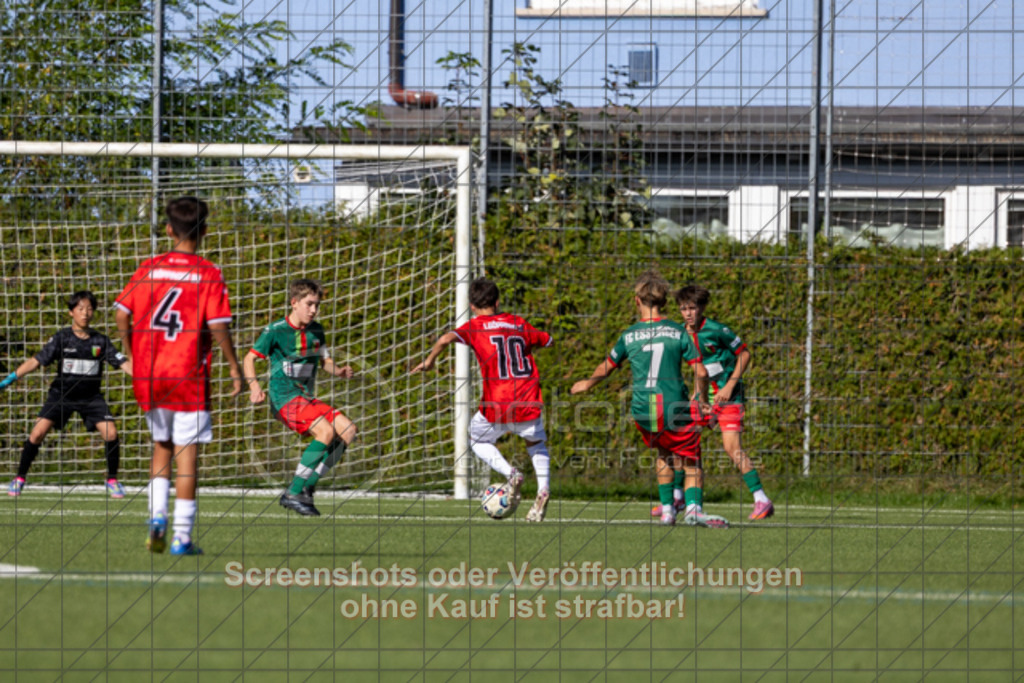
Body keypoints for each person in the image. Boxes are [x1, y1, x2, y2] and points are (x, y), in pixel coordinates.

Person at [115, 196, 242, 556]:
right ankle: (182, 537)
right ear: (204, 231)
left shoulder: (149, 269)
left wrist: (133, 351)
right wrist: (233, 366)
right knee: (187, 453)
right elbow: (218, 325)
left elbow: (122, 313)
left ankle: (156, 518)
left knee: (161, 447)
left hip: (152, 376)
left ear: (169, 229)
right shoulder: (208, 273)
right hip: (188, 375)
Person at [571, 270, 728, 528]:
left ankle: (667, 511)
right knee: (692, 459)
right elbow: (700, 371)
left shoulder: (628, 335)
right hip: (672, 406)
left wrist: (588, 383)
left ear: (636, 301)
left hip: (643, 409)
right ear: (665, 303)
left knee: (664, 452)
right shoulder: (678, 332)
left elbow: (607, 365)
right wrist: (700, 396)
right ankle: (693, 510)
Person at [412, 277, 553, 522]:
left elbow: (445, 339)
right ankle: (543, 489)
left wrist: (429, 361)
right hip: (528, 397)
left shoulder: (475, 326)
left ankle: (512, 474)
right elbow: (548, 340)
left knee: (476, 439)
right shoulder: (519, 323)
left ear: (472, 306)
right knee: (536, 443)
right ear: (498, 302)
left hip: (497, 402)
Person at [244, 279, 357, 518]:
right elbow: (249, 359)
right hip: (284, 398)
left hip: (305, 398)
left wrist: (339, 370)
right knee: (325, 432)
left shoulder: (317, 331)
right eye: (309, 304)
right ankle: (293, 492)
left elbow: (324, 360)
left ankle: (307, 486)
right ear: (294, 303)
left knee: (347, 430)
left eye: (317, 305)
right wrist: (254, 386)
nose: (314, 310)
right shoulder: (274, 331)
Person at [3, 291, 131, 498]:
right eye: (80, 309)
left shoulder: (101, 340)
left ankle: (112, 480)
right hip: (61, 395)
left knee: (111, 433)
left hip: (91, 397)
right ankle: (19, 478)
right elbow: (36, 361)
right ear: (71, 312)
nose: (85, 313)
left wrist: (145, 379)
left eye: (89, 309)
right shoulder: (61, 338)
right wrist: (10, 378)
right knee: (37, 433)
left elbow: (123, 363)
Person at [674, 284, 774, 521]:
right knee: (682, 442)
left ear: (702, 308)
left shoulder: (717, 330)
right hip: (703, 398)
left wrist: (729, 386)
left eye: (692, 308)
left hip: (730, 397)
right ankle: (679, 497)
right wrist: (697, 394)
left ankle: (761, 499)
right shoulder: (680, 334)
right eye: (683, 309)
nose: (688, 313)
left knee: (732, 448)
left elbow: (745, 354)